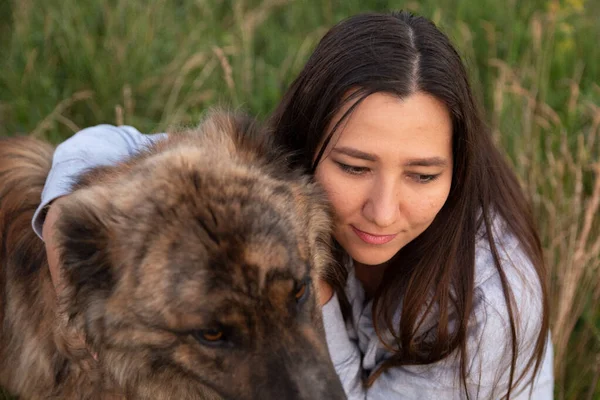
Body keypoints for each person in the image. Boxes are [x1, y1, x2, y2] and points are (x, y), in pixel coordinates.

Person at [33, 10, 553, 399]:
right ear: (304, 147)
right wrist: (64, 213)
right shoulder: (276, 179)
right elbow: (116, 142)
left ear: (458, 166)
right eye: (353, 167)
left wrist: (315, 290)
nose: (384, 211)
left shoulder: (491, 299)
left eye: (422, 174)